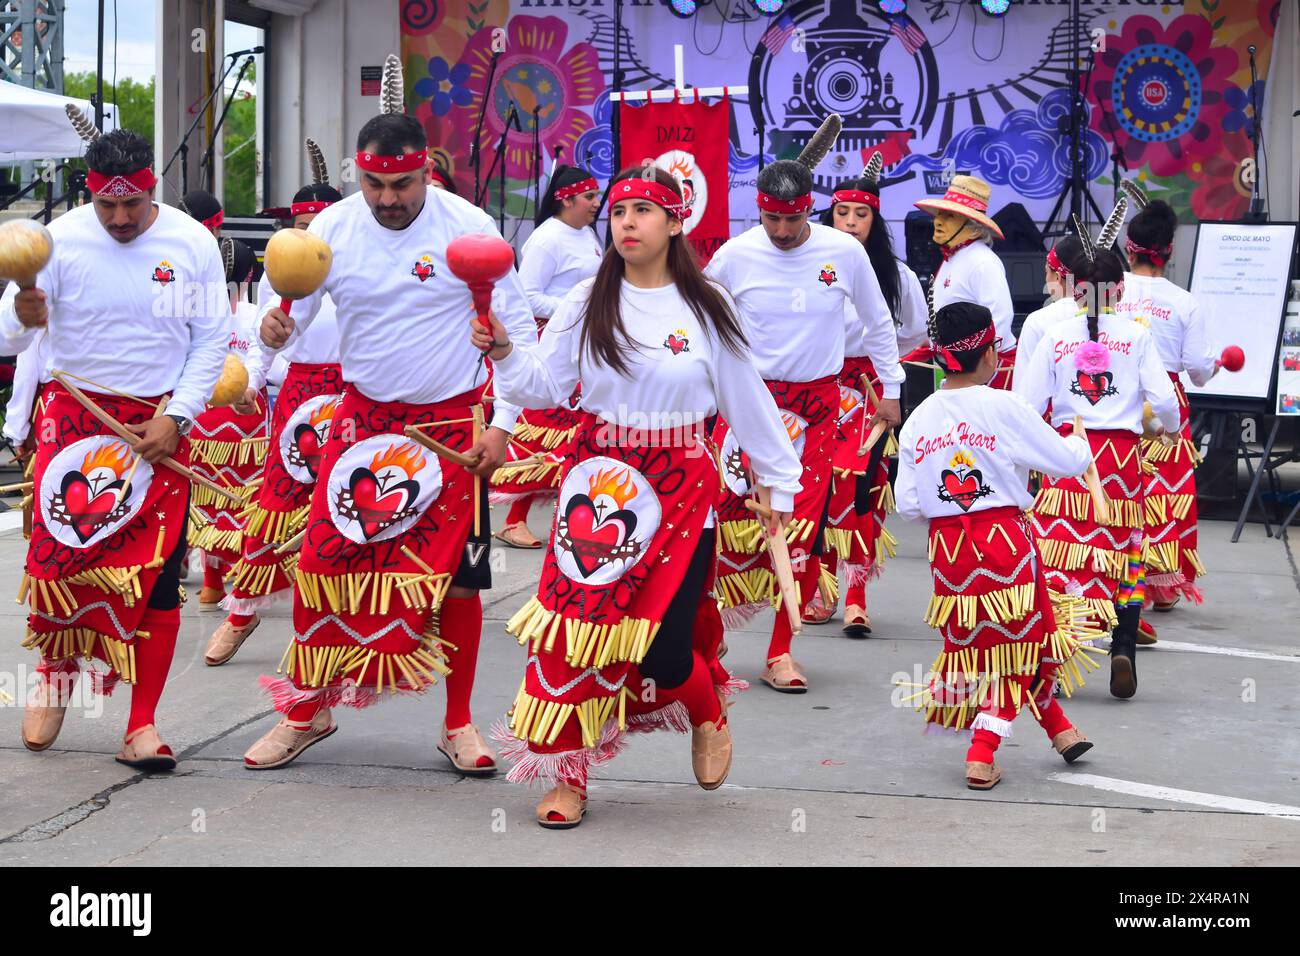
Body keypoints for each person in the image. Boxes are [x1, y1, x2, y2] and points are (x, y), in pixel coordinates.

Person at [472, 167, 803, 827]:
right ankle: (569, 777)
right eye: (618, 210)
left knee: (664, 651)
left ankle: (705, 708)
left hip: (682, 489)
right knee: (572, 640)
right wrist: (506, 350)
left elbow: (745, 394)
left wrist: (780, 481)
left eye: (644, 210)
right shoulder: (585, 299)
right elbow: (540, 386)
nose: (626, 221)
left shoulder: (707, 302)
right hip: (597, 484)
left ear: (676, 222)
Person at [244, 58, 535, 773]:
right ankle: (306, 712)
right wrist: (271, 334)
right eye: (374, 183)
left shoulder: (469, 229)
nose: (387, 197)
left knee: (464, 580)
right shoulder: (332, 229)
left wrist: (503, 425)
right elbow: (290, 314)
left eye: (401, 183)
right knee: (320, 564)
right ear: (358, 173)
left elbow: (517, 338)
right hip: (362, 424)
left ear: (425, 173)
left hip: (455, 432)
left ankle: (459, 724)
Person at [0, 126, 227, 768]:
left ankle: (142, 725)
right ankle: (53, 677)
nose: (121, 218)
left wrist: (179, 415)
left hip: (159, 428)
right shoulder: (52, 242)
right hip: (75, 420)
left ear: (154, 185)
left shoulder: (190, 242)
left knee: (156, 580)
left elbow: (210, 340)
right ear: (89, 194)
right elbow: (7, 340)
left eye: (133, 204)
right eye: (107, 206)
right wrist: (24, 313)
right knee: (59, 566)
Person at [705, 114, 903, 692]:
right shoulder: (735, 256)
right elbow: (702, 327)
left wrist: (891, 389)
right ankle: (709, 644)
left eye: (794, 220)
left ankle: (780, 651)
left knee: (798, 531)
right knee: (727, 529)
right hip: (748, 407)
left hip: (818, 409)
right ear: (757, 211)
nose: (784, 231)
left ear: (810, 209)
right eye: (772, 219)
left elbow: (877, 320)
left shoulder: (843, 252)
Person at [895, 301, 1098, 790]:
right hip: (1004, 542)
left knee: (1000, 646)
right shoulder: (1004, 406)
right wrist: (1078, 435)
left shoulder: (919, 418)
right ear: (990, 353)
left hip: (948, 554)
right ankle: (981, 752)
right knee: (1022, 650)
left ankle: (1060, 730)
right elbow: (1067, 463)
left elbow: (905, 504)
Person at [204, 140, 345, 666]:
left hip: (360, 399)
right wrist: (250, 383)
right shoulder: (276, 277)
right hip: (301, 396)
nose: (307, 232)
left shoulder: (360, 268)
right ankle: (242, 610)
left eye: (318, 222)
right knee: (276, 508)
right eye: (300, 223)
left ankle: (346, 624)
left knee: (356, 510)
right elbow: (268, 341)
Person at [1018, 245, 1180, 699]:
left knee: (1059, 553)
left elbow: (1029, 406)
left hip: (1069, 452)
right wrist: (1168, 431)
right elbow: (1166, 402)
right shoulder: (1136, 334)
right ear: (1121, 289)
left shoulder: (1055, 335)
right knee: (1127, 550)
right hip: (1122, 461)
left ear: (1076, 292)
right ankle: (1122, 645)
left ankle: (1051, 655)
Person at [808, 155, 927, 636]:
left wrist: (881, 370)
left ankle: (855, 594)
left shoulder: (897, 275)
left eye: (862, 215)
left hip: (868, 397)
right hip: (815, 392)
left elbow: (913, 332)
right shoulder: (812, 267)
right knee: (814, 492)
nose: (852, 223)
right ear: (829, 216)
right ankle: (819, 590)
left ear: (875, 221)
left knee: (860, 493)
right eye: (842, 214)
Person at [1115, 193, 1219, 612]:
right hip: (1165, 400)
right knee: (1165, 493)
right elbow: (1198, 367)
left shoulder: (1109, 292)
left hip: (1117, 395)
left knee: (1123, 487)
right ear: (1169, 252)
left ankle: (1120, 577)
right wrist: (1214, 367)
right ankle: (1161, 585)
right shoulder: (1183, 301)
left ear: (1129, 247)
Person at [493, 165, 603, 549]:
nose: (596, 203)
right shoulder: (546, 239)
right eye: (589, 197)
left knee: (576, 434)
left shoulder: (587, 234)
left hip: (584, 342)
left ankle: (568, 518)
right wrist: (573, 308)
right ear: (566, 198)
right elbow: (527, 294)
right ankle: (513, 518)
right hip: (553, 339)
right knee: (545, 431)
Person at [186, 238, 270, 609]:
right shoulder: (252, 314)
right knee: (244, 499)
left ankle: (211, 582)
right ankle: (238, 576)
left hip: (206, 417)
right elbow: (260, 356)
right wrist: (250, 389)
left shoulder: (196, 314)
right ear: (251, 274)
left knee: (208, 498)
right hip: (245, 418)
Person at [916, 176, 1017, 388]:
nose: (938, 221)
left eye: (949, 216)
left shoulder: (983, 261)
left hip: (983, 372)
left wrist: (971, 365)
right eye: (939, 215)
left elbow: (1000, 320)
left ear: (973, 226)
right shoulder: (954, 257)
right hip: (957, 368)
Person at [1012, 234, 1085, 386]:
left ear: (1058, 277)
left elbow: (1023, 388)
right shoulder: (1112, 313)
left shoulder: (1037, 321)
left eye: (1047, 272)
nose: (1046, 278)